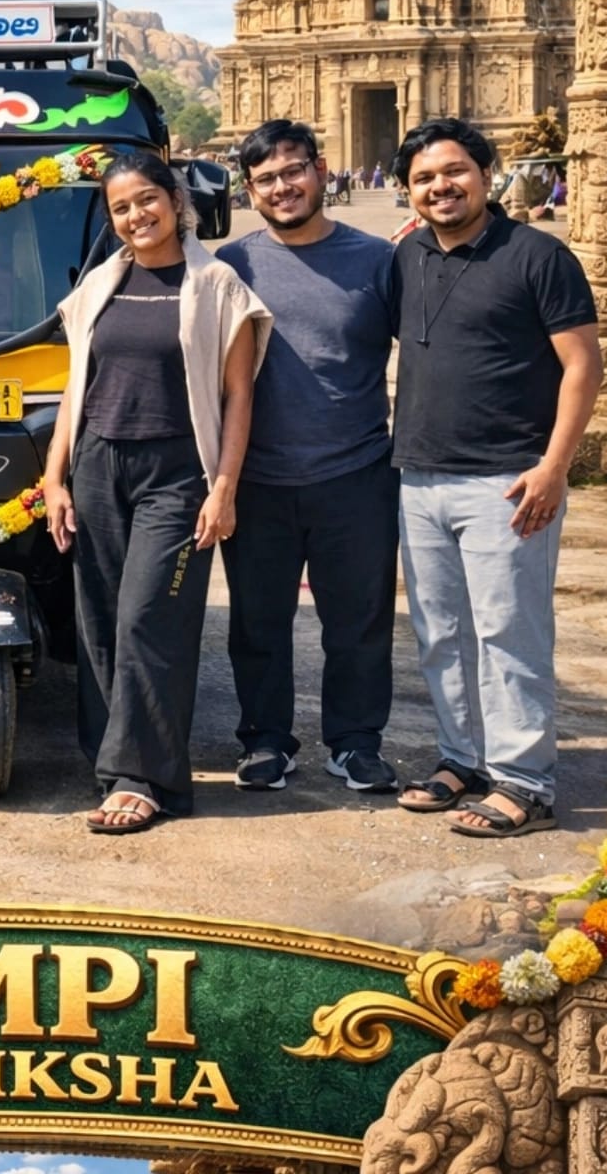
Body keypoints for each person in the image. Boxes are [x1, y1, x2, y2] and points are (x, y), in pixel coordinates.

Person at [41, 153, 271, 834]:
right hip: (98, 466)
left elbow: (238, 396)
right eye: (121, 208)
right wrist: (54, 478)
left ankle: (143, 779)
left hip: (178, 473)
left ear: (175, 201)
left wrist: (223, 486)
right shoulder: (98, 287)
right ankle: (120, 764)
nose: (136, 216)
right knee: (103, 624)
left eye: (147, 200)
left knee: (152, 620)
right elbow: (73, 390)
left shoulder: (216, 284)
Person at [390, 118, 601, 836]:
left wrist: (554, 466)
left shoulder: (538, 256)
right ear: (408, 190)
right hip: (419, 475)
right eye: (423, 178)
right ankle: (462, 760)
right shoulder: (408, 255)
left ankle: (524, 781)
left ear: (486, 173)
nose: (439, 187)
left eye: (453, 172)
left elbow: (582, 364)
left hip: (509, 480)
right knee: (441, 633)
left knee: (509, 632)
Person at [219, 121, 400, 794]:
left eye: (293, 171)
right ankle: (265, 740)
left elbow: (437, 349)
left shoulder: (378, 261)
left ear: (321, 170)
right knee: (258, 621)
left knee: (358, 622)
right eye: (266, 178)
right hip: (258, 478)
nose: (282, 187)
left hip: (355, 475)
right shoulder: (230, 266)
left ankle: (355, 744)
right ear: (250, 190)